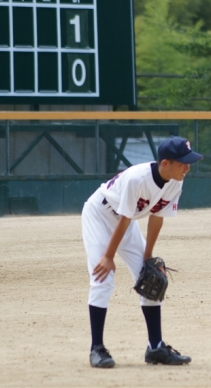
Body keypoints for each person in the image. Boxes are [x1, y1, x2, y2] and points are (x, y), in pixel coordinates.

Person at [81, 136, 202, 368]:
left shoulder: (176, 181)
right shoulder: (137, 178)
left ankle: (155, 347)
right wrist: (108, 256)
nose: (187, 168)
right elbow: (124, 219)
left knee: (150, 278)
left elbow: (157, 218)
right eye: (183, 163)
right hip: (99, 214)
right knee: (102, 277)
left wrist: (148, 257)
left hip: (125, 222)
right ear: (165, 163)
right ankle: (97, 348)